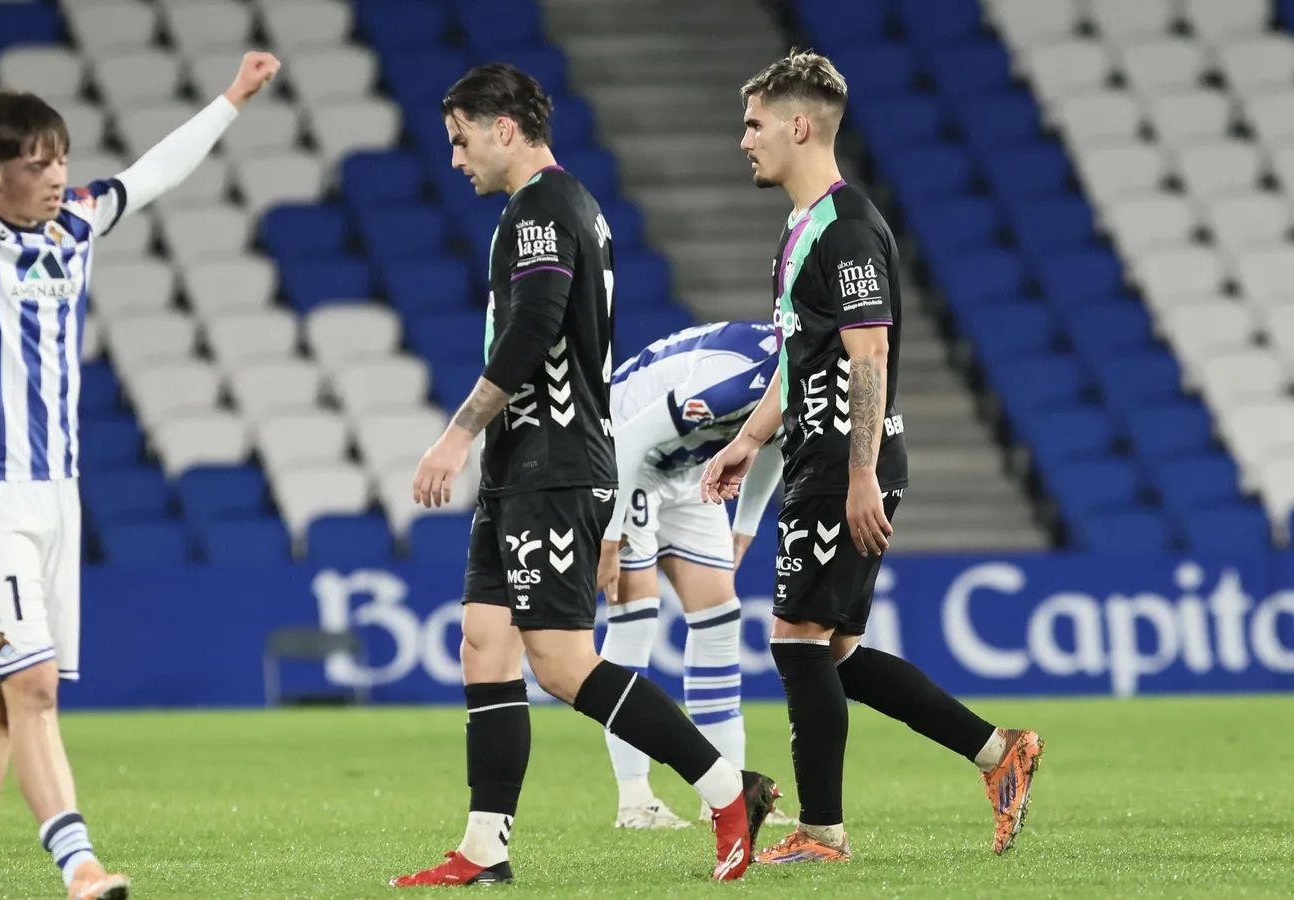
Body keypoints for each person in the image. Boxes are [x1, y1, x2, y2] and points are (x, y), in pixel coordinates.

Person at [0, 51, 280, 900]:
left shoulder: (76, 223)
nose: (58, 176)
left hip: (54, 494)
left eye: (62, 158)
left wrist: (232, 100)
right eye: (38, 165)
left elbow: (154, 173)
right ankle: (80, 864)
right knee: (28, 685)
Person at [392, 65, 777, 888]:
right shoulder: (558, 210)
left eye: (461, 139)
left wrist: (456, 436)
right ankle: (485, 846)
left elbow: (532, 328)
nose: (455, 159)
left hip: (553, 464)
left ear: (503, 128)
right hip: (520, 467)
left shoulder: (542, 209)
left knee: (562, 664)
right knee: (483, 647)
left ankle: (726, 793)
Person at [700, 50, 1043, 864]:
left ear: (798, 124)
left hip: (843, 463)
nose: (743, 140)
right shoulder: (802, 224)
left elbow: (869, 357)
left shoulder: (848, 229)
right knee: (838, 655)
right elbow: (801, 355)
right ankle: (1002, 754)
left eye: (753, 124)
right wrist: (750, 438)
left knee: (794, 641)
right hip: (820, 456)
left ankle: (821, 833)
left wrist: (858, 476)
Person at [595, 321, 786, 828]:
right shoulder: (734, 378)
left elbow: (772, 441)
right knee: (636, 616)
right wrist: (609, 536)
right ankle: (634, 800)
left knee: (721, 618)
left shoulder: (803, 370)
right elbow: (631, 437)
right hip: (623, 457)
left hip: (689, 468)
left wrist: (744, 528)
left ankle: (723, 793)